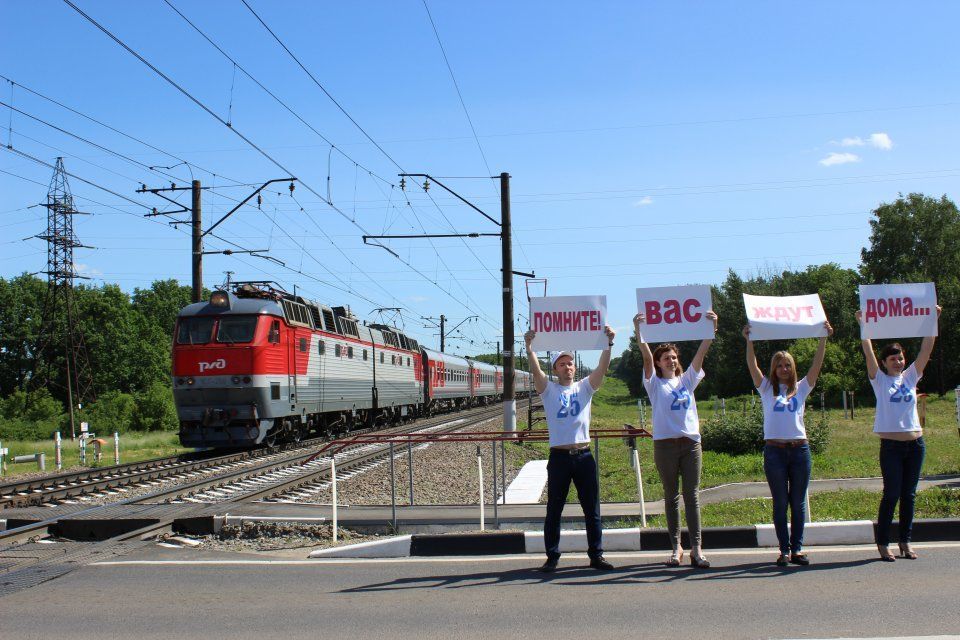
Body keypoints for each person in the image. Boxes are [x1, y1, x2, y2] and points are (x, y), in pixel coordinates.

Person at [524, 325, 616, 573]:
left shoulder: (585, 387)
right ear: (555, 369)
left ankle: (596, 554)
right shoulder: (548, 390)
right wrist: (529, 348)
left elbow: (602, 368)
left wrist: (608, 344)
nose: (568, 367)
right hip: (560, 458)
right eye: (562, 364)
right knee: (554, 509)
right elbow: (536, 371)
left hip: (584, 456)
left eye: (570, 363)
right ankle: (552, 556)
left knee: (592, 509)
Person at [743, 320, 832, 567]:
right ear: (774, 368)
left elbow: (816, 365)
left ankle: (797, 549)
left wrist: (823, 338)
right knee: (781, 501)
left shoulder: (801, 388)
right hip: (775, 452)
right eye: (779, 365)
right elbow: (752, 365)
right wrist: (749, 341)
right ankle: (784, 550)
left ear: (793, 368)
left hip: (799, 450)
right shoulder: (766, 388)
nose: (783, 368)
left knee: (798, 502)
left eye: (788, 365)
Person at [634, 310, 718, 568]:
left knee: (691, 496)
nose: (671, 360)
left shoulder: (687, 381)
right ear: (659, 363)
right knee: (671, 497)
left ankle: (696, 548)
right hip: (665, 446)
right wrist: (640, 332)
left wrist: (711, 328)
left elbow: (701, 353)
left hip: (690, 444)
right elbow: (646, 356)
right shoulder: (654, 384)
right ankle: (676, 547)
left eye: (673, 357)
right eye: (666, 358)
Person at [856, 306, 940, 562]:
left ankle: (905, 541)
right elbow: (868, 351)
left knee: (909, 495)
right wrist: (863, 325)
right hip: (891, 446)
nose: (898, 361)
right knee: (891, 494)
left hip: (915, 444)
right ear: (884, 362)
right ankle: (883, 543)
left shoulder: (911, 377)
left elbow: (926, 349)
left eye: (900, 357)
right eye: (893, 358)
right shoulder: (879, 380)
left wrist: (932, 320)